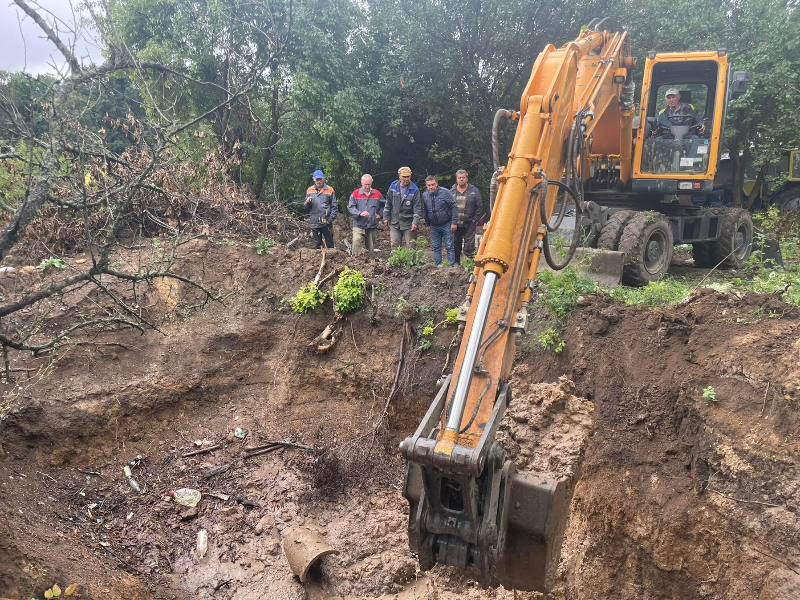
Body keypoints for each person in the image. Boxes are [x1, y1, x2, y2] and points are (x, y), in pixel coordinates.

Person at [422, 175, 457, 267]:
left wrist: (454, 222)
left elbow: (454, 207)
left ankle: (451, 266)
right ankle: (438, 266)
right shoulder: (425, 195)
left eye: (433, 184)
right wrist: (427, 224)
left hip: (446, 223)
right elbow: (425, 210)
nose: (431, 187)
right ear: (426, 185)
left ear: (436, 183)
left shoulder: (445, 192)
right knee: (436, 247)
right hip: (434, 225)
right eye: (429, 185)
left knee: (449, 246)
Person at [348, 174, 384, 260]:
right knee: (356, 241)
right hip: (359, 224)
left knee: (370, 248)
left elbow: (384, 206)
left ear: (372, 183)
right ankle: (355, 261)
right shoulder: (355, 194)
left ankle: (371, 265)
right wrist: (359, 213)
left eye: (369, 184)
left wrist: (380, 214)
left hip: (372, 225)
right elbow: (351, 207)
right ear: (361, 183)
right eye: (365, 184)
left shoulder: (377, 194)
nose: (367, 186)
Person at [384, 166, 421, 249]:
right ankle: (396, 262)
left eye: (408, 177)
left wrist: (415, 222)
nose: (406, 179)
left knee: (411, 247)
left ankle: (411, 262)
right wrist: (386, 217)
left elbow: (417, 207)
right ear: (399, 176)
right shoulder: (393, 186)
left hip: (409, 223)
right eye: (404, 177)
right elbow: (388, 202)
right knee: (394, 246)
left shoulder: (414, 189)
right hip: (395, 222)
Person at [450, 169, 482, 264]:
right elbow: (447, 207)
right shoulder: (451, 191)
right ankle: (456, 263)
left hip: (469, 223)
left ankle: (469, 264)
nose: (461, 179)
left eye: (463, 177)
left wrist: (475, 220)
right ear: (456, 179)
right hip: (455, 223)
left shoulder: (474, 191)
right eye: (459, 178)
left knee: (469, 245)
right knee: (456, 244)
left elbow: (479, 206)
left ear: (466, 179)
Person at [303, 170, 337, 249]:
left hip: (326, 222)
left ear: (323, 179)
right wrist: (307, 202)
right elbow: (306, 208)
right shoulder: (309, 190)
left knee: (330, 244)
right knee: (317, 245)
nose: (319, 181)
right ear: (313, 179)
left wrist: (330, 219)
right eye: (317, 179)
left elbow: (334, 207)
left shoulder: (330, 190)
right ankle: (318, 261)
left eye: (320, 179)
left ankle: (331, 260)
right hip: (314, 222)